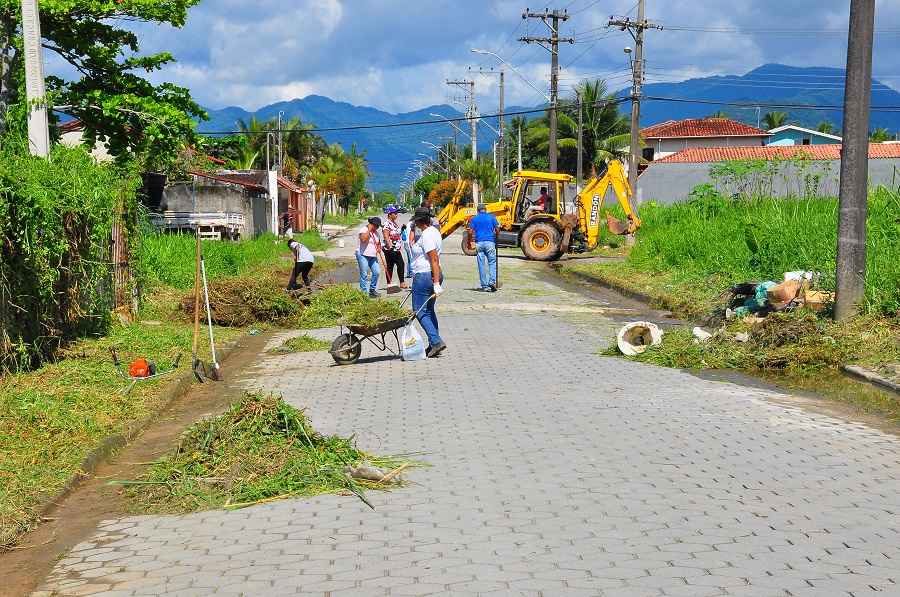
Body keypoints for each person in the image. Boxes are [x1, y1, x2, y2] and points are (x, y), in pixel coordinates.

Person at [409, 206, 446, 358]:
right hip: (430, 275)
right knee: (429, 310)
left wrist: (436, 282)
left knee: (419, 310)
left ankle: (436, 341)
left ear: (419, 221)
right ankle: (433, 344)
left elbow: (434, 258)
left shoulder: (427, 236)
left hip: (425, 276)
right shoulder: (434, 232)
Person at [468, 205, 500, 292]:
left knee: (481, 264)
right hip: (490, 242)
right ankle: (492, 282)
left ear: (478, 211)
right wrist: (496, 235)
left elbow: (470, 231)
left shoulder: (474, 219)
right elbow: (497, 229)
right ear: (485, 210)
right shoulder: (492, 217)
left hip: (479, 243)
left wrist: (469, 242)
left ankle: (484, 286)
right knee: (492, 262)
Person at [382, 207, 408, 288]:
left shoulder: (394, 223)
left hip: (396, 248)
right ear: (390, 214)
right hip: (390, 249)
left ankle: (399, 282)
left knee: (399, 264)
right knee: (393, 265)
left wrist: (402, 229)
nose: (397, 215)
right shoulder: (387, 224)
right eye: (395, 213)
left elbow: (396, 234)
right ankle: (391, 283)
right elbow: (386, 236)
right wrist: (390, 247)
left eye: (397, 213)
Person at [357, 217, 383, 297]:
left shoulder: (376, 233)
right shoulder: (363, 230)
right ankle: (363, 292)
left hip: (373, 256)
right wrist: (369, 230)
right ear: (372, 224)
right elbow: (363, 239)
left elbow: (379, 242)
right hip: (363, 255)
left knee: (377, 272)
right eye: (376, 226)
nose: (377, 228)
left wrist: (379, 248)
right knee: (364, 274)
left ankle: (372, 290)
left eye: (378, 226)